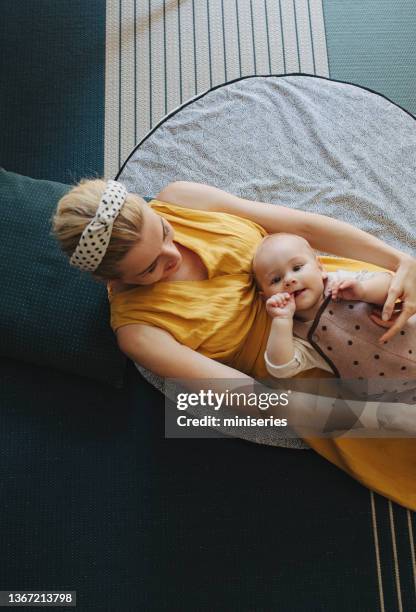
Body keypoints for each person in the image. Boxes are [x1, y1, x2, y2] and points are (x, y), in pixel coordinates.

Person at [52, 178, 416, 510]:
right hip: (318, 374)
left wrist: (400, 263)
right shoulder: (139, 332)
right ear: (112, 279)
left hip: (336, 290)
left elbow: (301, 227)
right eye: (151, 268)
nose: (173, 255)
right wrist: (385, 418)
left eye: (164, 231)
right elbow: (254, 399)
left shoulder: (180, 199)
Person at [252, 232, 415, 383]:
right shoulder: (296, 334)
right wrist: (281, 321)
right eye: (275, 280)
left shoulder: (341, 282)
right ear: (265, 296)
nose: (289, 280)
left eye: (297, 268)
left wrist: (364, 290)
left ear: (320, 268)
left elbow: (391, 287)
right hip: (401, 395)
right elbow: (281, 369)